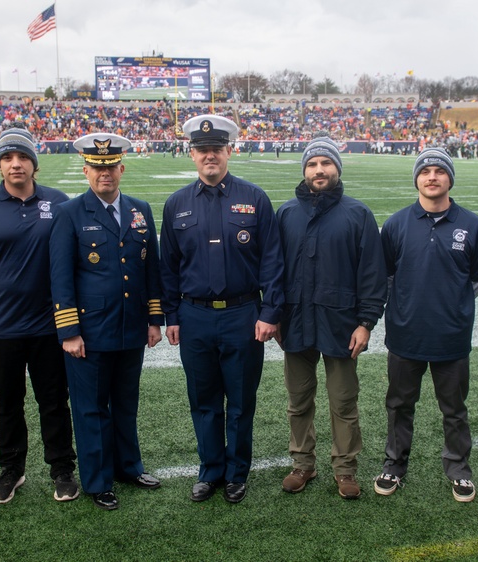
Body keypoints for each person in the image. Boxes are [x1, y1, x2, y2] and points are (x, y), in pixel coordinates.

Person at [160, 115, 284, 504]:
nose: (210, 155)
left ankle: (237, 473)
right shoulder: (177, 203)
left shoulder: (255, 198)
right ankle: (210, 470)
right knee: (204, 399)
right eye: (202, 150)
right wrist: (172, 316)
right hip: (194, 316)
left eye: (217, 148)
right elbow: (169, 266)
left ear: (229, 151)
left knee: (241, 400)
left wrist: (270, 313)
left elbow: (273, 263)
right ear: (192, 154)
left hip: (243, 314)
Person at [0, 127, 79, 505]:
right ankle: (12, 468)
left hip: (49, 325)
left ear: (34, 164)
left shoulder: (59, 202)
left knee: (54, 401)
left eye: (23, 157)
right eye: (8, 158)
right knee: (6, 402)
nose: (16, 164)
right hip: (1, 327)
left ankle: (62, 468)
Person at [49, 132, 164, 511]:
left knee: (125, 403)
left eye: (111, 168)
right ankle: (98, 480)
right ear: (86, 171)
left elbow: (150, 270)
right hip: (90, 331)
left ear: (122, 169)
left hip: (132, 328)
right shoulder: (70, 213)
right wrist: (68, 331)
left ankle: (128, 466)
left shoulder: (139, 209)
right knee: (91, 408)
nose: (105, 175)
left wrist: (153, 319)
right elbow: (61, 276)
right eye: (97, 169)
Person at [374, 148, 478, 502]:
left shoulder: (472, 225)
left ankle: (459, 469)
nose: (432, 176)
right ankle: (394, 465)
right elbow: (388, 277)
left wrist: (450, 307)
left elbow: (477, 279)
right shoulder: (395, 224)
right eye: (425, 171)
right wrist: (409, 306)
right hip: (406, 332)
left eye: (440, 170)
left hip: (450, 336)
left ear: (450, 178)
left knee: (454, 408)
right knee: (398, 404)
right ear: (417, 179)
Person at [276, 137, 386, 500]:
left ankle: (345, 469)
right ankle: (303, 464)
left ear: (337, 168)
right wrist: (275, 315)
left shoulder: (358, 214)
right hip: (295, 322)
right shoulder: (287, 213)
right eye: (311, 164)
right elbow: (274, 272)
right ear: (304, 170)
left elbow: (372, 274)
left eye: (325, 163)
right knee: (298, 400)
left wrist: (365, 322)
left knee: (343, 402)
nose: (318, 170)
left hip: (341, 325)